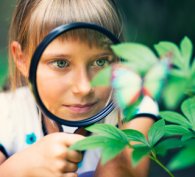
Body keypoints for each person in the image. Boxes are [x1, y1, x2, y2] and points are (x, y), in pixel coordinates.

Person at [0, 0, 159, 177]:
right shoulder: (7, 113)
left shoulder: (132, 107)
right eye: (61, 63)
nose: (84, 88)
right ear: (21, 59)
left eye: (101, 62)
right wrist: (17, 169)